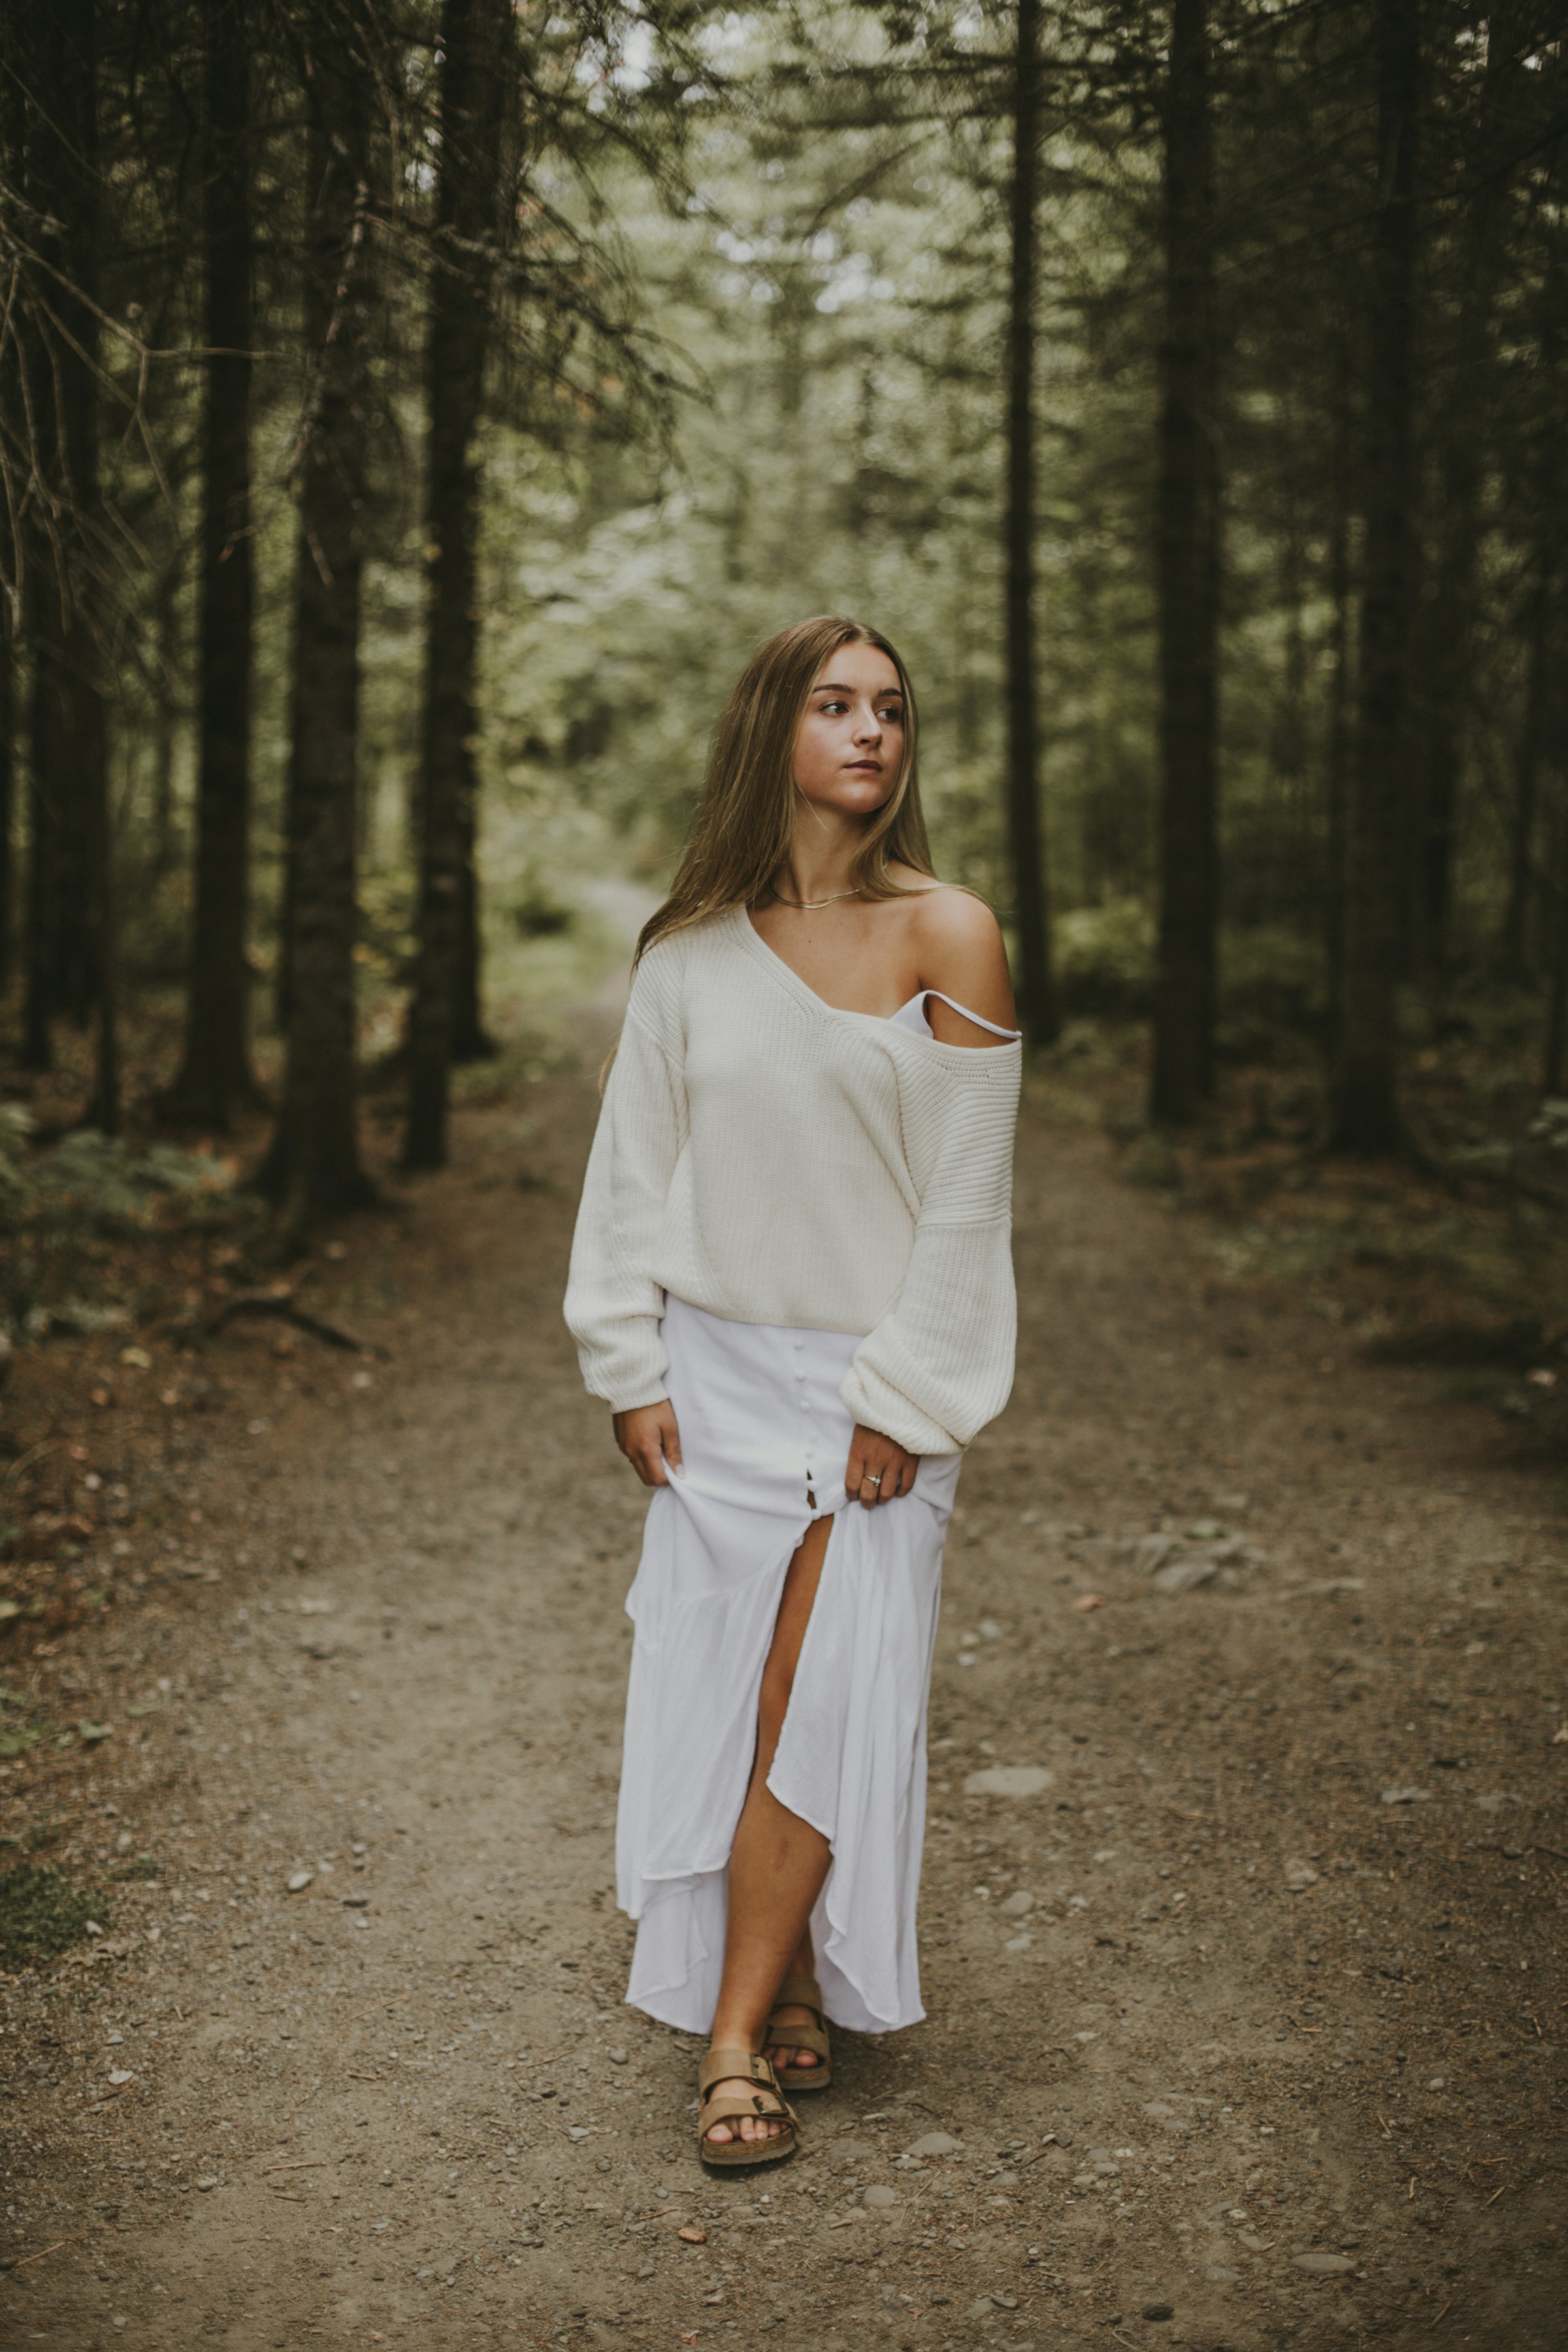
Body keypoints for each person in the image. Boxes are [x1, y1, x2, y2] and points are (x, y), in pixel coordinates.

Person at [564, 615, 1021, 2168]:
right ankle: (802, 1966)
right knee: (728, 1692)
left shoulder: (949, 931)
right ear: (776, 730)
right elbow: (633, 1181)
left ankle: (735, 2037)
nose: (872, 733)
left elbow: (967, 1209)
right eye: (835, 705)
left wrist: (906, 1395)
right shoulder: (687, 957)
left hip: (881, 1388)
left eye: (892, 708)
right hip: (719, 1374)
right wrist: (625, 1363)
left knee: (814, 1690)